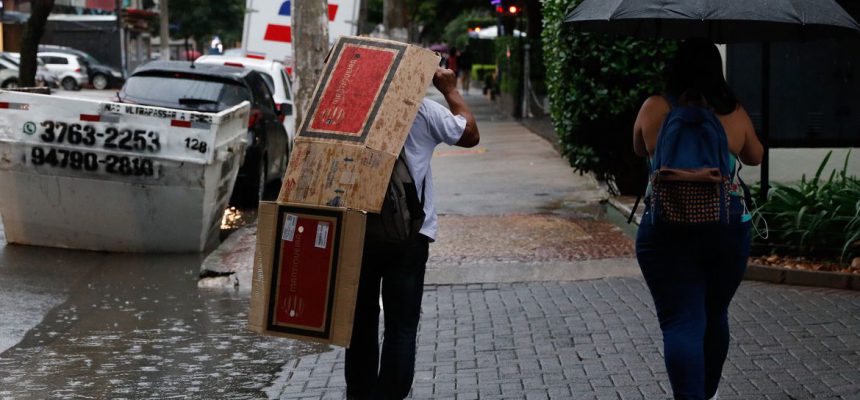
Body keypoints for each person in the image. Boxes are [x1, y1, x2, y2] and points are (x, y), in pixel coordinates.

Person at [632, 38, 763, 400]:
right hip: (724, 228)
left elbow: (639, 148)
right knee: (715, 312)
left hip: (665, 228)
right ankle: (705, 394)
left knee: (681, 321)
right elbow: (755, 157)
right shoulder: (732, 111)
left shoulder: (655, 107)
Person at [345, 67, 480, 400]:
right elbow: (470, 134)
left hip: (356, 232)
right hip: (409, 235)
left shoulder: (349, 108)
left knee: (359, 325)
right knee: (401, 329)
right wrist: (450, 90)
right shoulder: (420, 108)